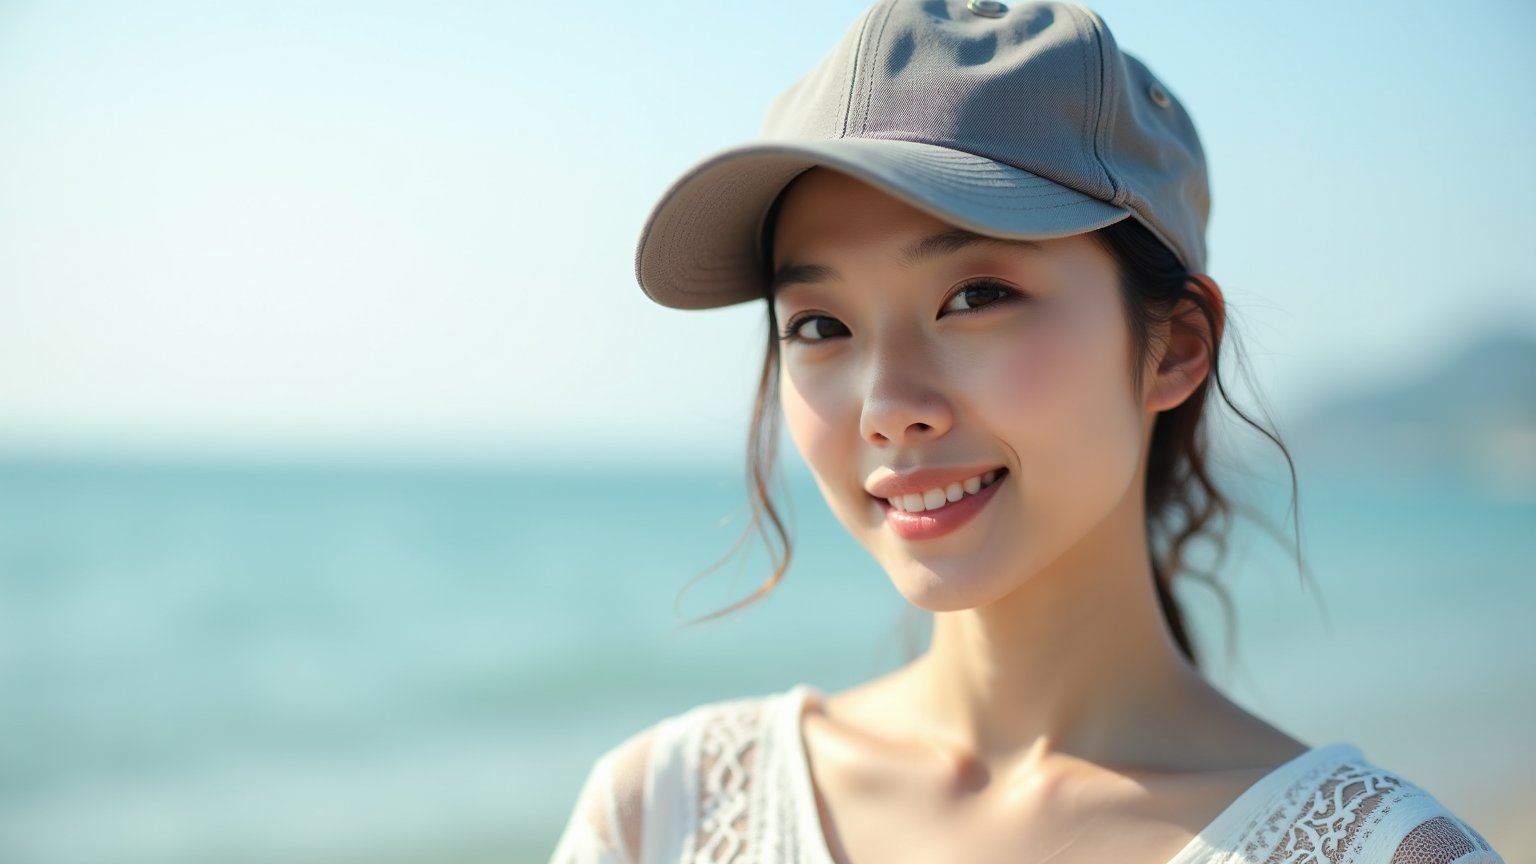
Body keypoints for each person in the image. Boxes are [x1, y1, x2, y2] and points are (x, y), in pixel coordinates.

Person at [550, 2, 1504, 862]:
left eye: (976, 296)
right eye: (820, 325)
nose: (888, 405)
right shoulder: (663, 813)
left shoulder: (1383, 853)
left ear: (1175, 344)